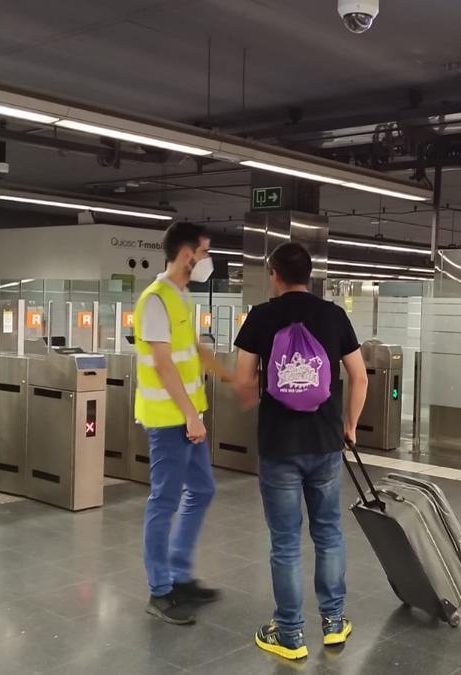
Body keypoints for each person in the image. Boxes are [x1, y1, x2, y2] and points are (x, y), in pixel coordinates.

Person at [232, 241, 368, 660]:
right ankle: (333, 622)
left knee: (285, 542)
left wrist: (262, 399)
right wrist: (349, 425)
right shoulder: (334, 315)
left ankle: (290, 633)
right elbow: (359, 377)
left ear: (274, 274)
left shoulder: (260, 316)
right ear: (309, 276)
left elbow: (243, 379)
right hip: (326, 442)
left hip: (278, 446)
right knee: (328, 532)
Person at [135, 221, 230, 625]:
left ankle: (179, 574)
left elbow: (192, 348)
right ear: (187, 252)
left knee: (203, 489)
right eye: (204, 251)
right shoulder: (155, 299)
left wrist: (229, 375)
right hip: (168, 419)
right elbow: (162, 362)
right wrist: (190, 415)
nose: (207, 259)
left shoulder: (181, 297)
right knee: (164, 501)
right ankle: (160, 590)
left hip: (188, 419)